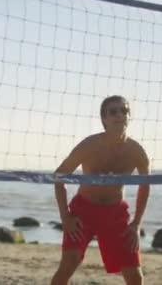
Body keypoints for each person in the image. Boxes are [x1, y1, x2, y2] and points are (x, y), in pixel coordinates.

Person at [51, 95, 150, 285]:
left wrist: (137, 223)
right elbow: (58, 177)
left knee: (135, 276)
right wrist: (65, 217)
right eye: (113, 111)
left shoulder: (136, 151)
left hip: (115, 213)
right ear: (104, 119)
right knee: (68, 264)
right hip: (84, 210)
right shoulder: (90, 145)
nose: (120, 115)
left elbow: (146, 185)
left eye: (124, 111)